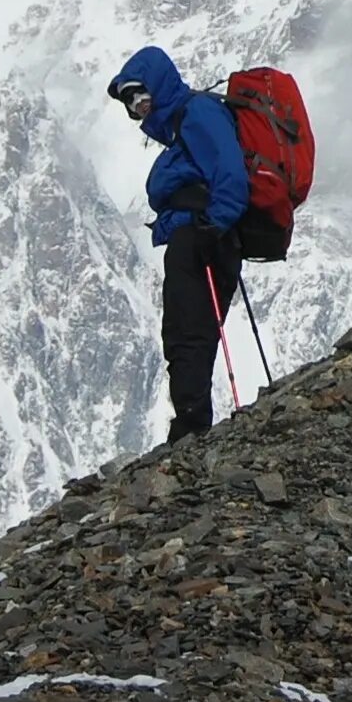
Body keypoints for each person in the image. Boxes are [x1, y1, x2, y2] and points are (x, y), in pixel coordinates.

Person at [108, 47, 250, 439]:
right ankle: (191, 421)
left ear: (160, 84)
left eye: (141, 95)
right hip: (198, 236)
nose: (139, 107)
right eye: (131, 103)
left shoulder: (197, 114)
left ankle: (191, 427)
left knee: (189, 328)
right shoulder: (182, 127)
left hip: (203, 237)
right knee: (187, 329)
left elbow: (230, 174)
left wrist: (212, 226)